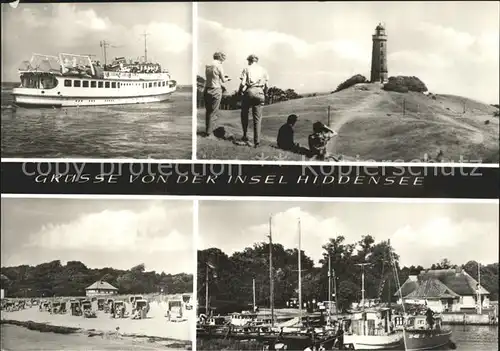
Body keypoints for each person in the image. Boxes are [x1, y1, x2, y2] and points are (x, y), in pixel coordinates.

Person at [238, 54, 269, 147]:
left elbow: (243, 83)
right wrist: (265, 93)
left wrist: (240, 91)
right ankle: (257, 142)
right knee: (257, 118)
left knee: (244, 114)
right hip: (260, 92)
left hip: (250, 91)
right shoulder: (263, 70)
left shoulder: (246, 68)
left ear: (249, 60)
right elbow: (267, 86)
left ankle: (245, 136)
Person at [204, 52, 230, 137]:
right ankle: (209, 133)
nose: (223, 61)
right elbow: (223, 80)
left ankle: (207, 130)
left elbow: (212, 76)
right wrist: (228, 79)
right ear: (220, 58)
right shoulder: (219, 65)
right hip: (216, 89)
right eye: (223, 59)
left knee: (208, 111)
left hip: (207, 88)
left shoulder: (208, 65)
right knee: (213, 112)